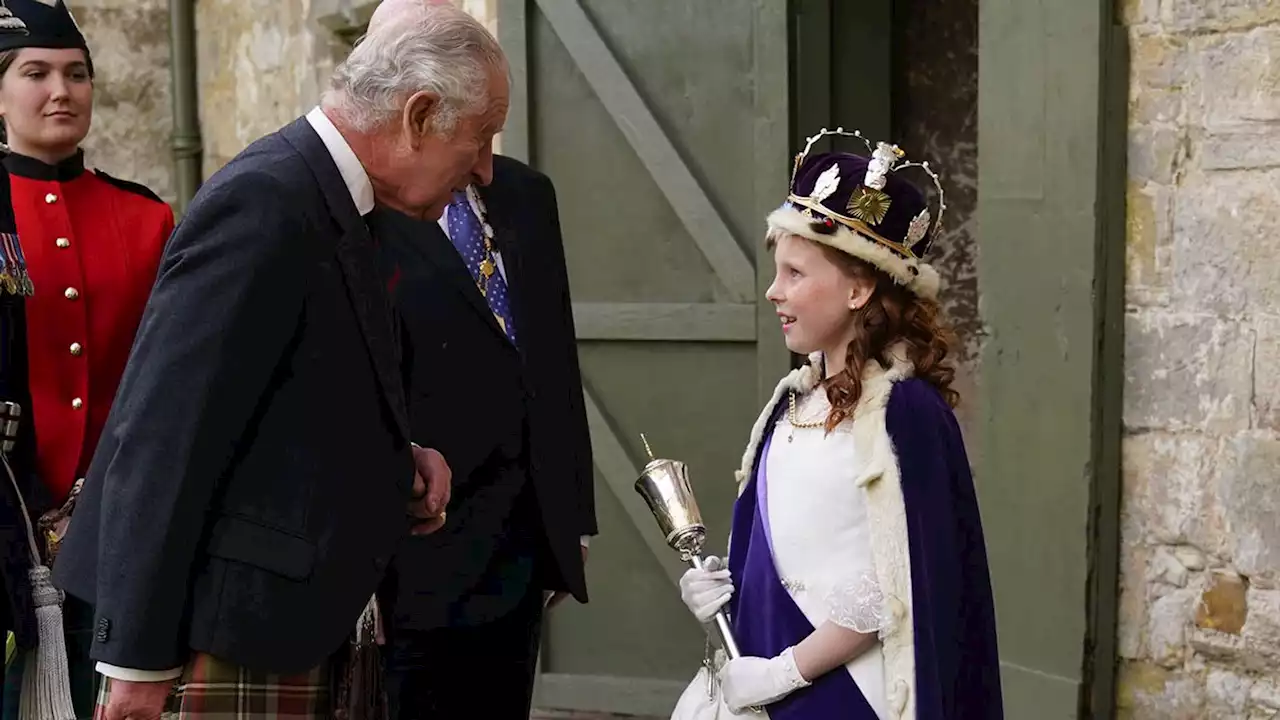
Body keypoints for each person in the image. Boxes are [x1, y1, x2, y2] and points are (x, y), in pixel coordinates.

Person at [48, 3, 510, 718]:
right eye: (479, 139)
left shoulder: (333, 198)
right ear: (419, 115)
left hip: (279, 627)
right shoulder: (267, 200)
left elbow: (286, 402)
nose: (483, 168)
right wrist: (136, 654)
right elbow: (166, 434)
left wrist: (398, 458)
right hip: (218, 637)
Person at [672, 130, 1003, 719]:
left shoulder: (908, 413)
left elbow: (896, 581)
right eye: (778, 271)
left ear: (859, 287)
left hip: (851, 696)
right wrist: (725, 591)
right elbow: (789, 547)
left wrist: (783, 672)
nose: (774, 291)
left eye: (796, 273)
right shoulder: (789, 402)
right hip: (767, 686)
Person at [371, 160, 595, 717]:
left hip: (519, 545)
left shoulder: (526, 193)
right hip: (416, 550)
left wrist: (573, 518)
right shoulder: (367, 201)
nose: (484, 157)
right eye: (478, 124)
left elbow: (554, 355)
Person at [0, 1, 174, 717]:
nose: (61, 91)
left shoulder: (145, 217)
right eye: (35, 73)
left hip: (114, 531)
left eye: (77, 74)